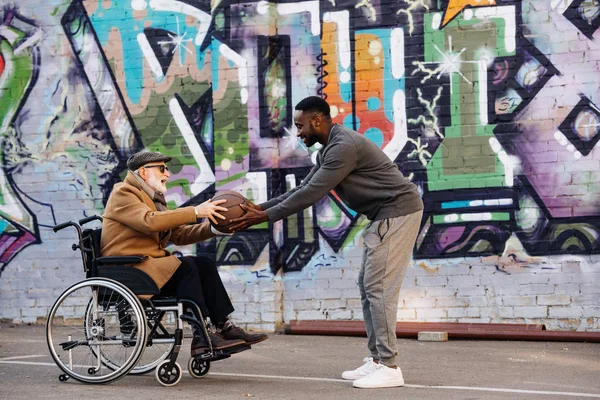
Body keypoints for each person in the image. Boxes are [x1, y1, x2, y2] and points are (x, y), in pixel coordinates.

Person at [229, 96, 424, 389]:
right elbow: (304, 188)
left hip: (397, 212)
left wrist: (262, 218)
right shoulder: (330, 150)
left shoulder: (342, 148)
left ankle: (389, 365)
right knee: (369, 285)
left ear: (317, 120)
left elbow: (310, 195)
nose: (298, 133)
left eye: (301, 126)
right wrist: (260, 208)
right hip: (384, 215)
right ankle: (376, 360)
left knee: (378, 288)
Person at [101, 151, 268, 356]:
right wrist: (196, 211)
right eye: (162, 168)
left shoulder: (154, 199)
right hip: (129, 269)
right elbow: (149, 221)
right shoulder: (123, 193)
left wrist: (215, 229)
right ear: (143, 172)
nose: (168, 174)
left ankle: (224, 326)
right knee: (186, 267)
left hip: (147, 268)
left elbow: (179, 235)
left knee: (203, 264)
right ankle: (201, 334)